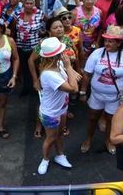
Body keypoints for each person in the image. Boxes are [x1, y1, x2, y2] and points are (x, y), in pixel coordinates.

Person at [80, 25, 123, 154]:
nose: (107, 43)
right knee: (92, 118)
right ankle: (88, 139)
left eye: (111, 41)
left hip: (115, 98)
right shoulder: (97, 53)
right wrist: (83, 92)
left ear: (119, 43)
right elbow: (87, 74)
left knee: (111, 120)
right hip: (96, 95)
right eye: (106, 40)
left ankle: (109, 140)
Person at [36, 36, 81, 175]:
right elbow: (74, 89)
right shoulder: (49, 74)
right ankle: (45, 159)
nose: (64, 52)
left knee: (60, 134)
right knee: (51, 138)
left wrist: (72, 71)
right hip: (50, 113)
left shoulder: (57, 64)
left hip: (62, 108)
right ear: (56, 56)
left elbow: (72, 75)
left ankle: (60, 155)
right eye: (62, 51)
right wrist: (69, 67)